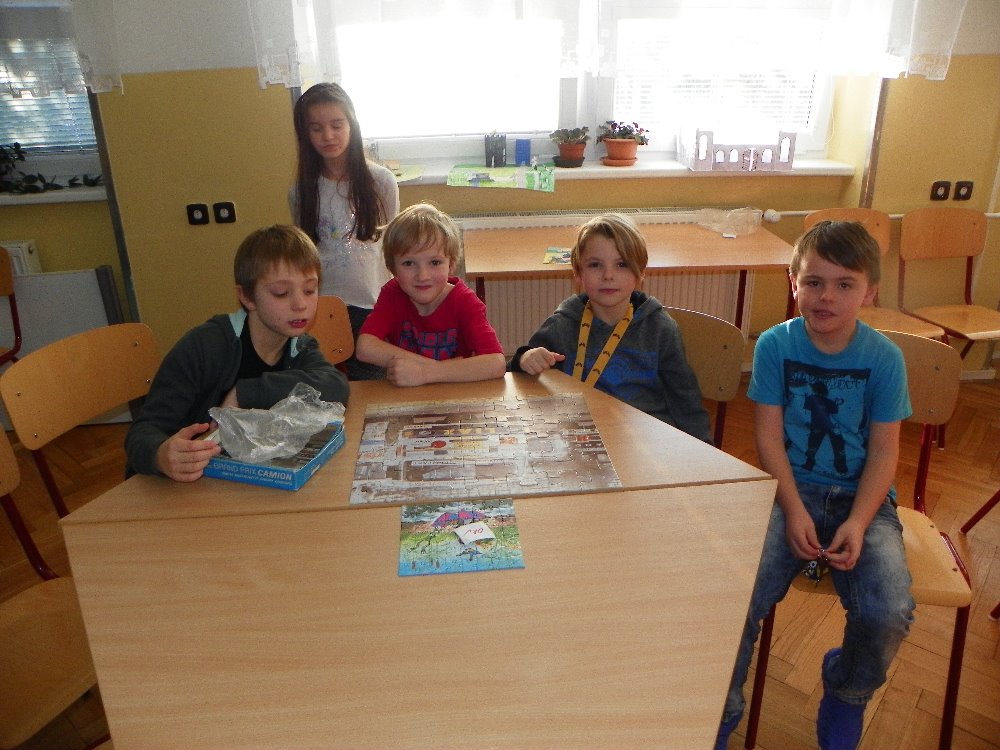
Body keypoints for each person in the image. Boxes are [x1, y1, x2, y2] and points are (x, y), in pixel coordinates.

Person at [715, 221, 915, 750]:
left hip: (863, 500)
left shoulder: (884, 358)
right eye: (814, 281)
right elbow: (768, 437)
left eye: (845, 284)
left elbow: (885, 452)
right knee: (737, 597)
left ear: (869, 292)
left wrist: (858, 521)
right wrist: (794, 508)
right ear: (794, 282)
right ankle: (721, 711)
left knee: (888, 611)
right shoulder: (775, 346)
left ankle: (846, 692)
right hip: (789, 491)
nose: (827, 296)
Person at [125, 225, 350, 482]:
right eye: (281, 293)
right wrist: (160, 455)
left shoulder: (299, 345)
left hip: (235, 482)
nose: (301, 304)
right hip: (175, 486)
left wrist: (245, 392)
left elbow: (336, 387)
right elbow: (142, 433)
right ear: (247, 297)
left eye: (310, 290)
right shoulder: (205, 346)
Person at [508, 213, 711, 443]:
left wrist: (706, 454)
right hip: (581, 441)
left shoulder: (660, 329)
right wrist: (524, 358)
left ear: (641, 272)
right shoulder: (563, 324)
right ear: (578, 273)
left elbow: (686, 404)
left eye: (621, 264)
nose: (608, 275)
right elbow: (516, 376)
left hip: (645, 443)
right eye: (595, 265)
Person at [289, 82, 400, 380]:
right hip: (323, 308)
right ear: (304, 134)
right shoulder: (301, 192)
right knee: (326, 389)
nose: (328, 136)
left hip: (373, 305)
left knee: (374, 387)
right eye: (316, 128)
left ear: (352, 125)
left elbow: (394, 249)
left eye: (337, 125)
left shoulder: (382, 182)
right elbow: (305, 255)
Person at [355, 203, 506, 386]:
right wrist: (436, 368)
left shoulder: (464, 301)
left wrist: (425, 373)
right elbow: (365, 347)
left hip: (457, 395)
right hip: (407, 395)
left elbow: (496, 363)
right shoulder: (392, 294)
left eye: (434, 262)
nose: (423, 276)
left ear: (451, 264)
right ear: (392, 268)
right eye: (408, 263)